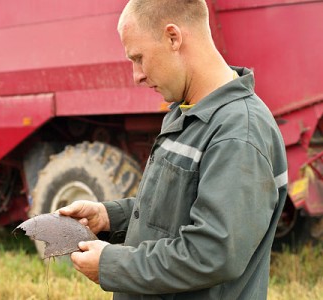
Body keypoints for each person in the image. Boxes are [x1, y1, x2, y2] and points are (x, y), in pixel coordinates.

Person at [59, 0, 288, 299]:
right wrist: (108, 217)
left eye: (139, 57)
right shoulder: (186, 112)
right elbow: (174, 210)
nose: (136, 75)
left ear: (173, 37)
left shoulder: (237, 133)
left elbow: (212, 253)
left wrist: (112, 263)